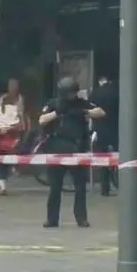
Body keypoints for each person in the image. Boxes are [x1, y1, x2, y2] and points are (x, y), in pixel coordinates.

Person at [38, 76, 105, 228]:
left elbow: (100, 112)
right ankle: (52, 219)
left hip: (77, 148)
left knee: (80, 186)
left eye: (74, 92)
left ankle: (81, 217)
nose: (73, 95)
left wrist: (84, 112)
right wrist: (57, 113)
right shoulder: (54, 103)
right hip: (58, 148)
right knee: (55, 186)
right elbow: (42, 120)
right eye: (70, 93)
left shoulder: (81, 103)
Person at [0, 77, 26, 196]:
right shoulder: (2, 100)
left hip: (10, 137)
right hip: (1, 138)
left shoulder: (19, 100)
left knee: (5, 160)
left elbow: (21, 122)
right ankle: (3, 187)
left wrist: (11, 128)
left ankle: (11, 170)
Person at [89, 74, 119, 196]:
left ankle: (104, 188)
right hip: (116, 128)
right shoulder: (116, 92)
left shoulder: (95, 93)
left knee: (103, 159)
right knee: (119, 157)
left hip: (100, 129)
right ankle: (120, 182)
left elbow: (90, 110)